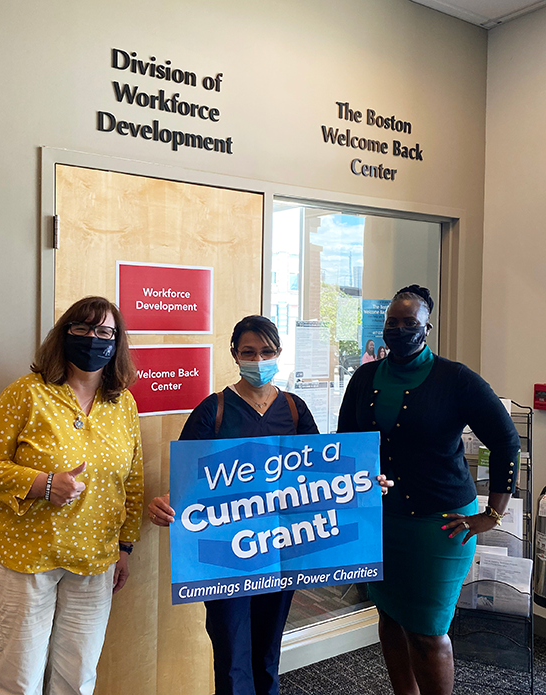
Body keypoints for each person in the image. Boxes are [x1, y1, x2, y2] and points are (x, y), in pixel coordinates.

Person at [149, 315, 391, 695]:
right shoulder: (213, 411)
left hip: (280, 550)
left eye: (266, 351)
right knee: (231, 654)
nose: (258, 360)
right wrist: (166, 506)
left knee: (267, 653)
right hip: (226, 557)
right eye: (248, 352)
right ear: (234, 354)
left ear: (278, 353)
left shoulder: (295, 410)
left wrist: (362, 484)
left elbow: (323, 476)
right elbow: (186, 485)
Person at [337, 285, 520, 695]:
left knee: (428, 631)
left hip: (440, 527)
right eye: (392, 323)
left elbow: (507, 442)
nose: (399, 330)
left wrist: (492, 514)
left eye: (409, 323)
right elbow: (345, 444)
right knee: (388, 617)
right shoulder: (365, 377)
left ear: (427, 328)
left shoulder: (455, 379)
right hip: (380, 520)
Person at [0, 296, 144, 695]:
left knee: (77, 678)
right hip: (24, 555)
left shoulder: (124, 405)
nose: (93, 338)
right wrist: (43, 484)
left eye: (104, 332)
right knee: (17, 680)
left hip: (94, 559)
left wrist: (125, 547)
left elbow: (131, 484)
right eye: (82, 329)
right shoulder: (27, 393)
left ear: (117, 343)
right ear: (64, 335)